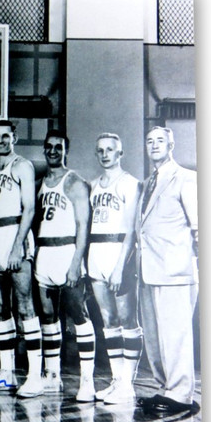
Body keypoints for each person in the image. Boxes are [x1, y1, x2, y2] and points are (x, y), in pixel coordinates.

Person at [136, 126, 199, 414]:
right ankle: (165, 388)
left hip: (175, 271)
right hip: (149, 270)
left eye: (160, 140)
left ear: (171, 144)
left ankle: (181, 394)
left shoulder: (186, 178)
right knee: (155, 336)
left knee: (175, 336)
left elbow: (200, 228)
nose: (154, 145)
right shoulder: (149, 182)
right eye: (149, 141)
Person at [0, 120, 43, 398]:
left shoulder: (23, 166)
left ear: (14, 138)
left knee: (25, 307)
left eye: (6, 136)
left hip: (14, 234)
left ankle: (34, 375)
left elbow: (29, 209)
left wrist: (18, 246)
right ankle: (6, 372)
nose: (1, 140)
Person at [33, 129, 97, 402]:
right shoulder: (39, 182)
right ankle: (52, 374)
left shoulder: (75, 182)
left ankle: (87, 381)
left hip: (66, 251)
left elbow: (84, 225)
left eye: (58, 147)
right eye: (49, 146)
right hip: (43, 252)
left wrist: (76, 262)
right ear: (44, 149)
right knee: (47, 317)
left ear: (65, 150)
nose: (53, 151)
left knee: (77, 314)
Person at [88, 133, 143, 405]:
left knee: (127, 320)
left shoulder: (130, 183)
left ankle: (128, 384)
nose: (105, 154)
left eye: (110, 150)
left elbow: (132, 230)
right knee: (108, 321)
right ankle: (116, 380)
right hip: (95, 253)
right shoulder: (93, 185)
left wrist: (121, 266)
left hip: (118, 252)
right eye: (100, 150)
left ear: (120, 153)